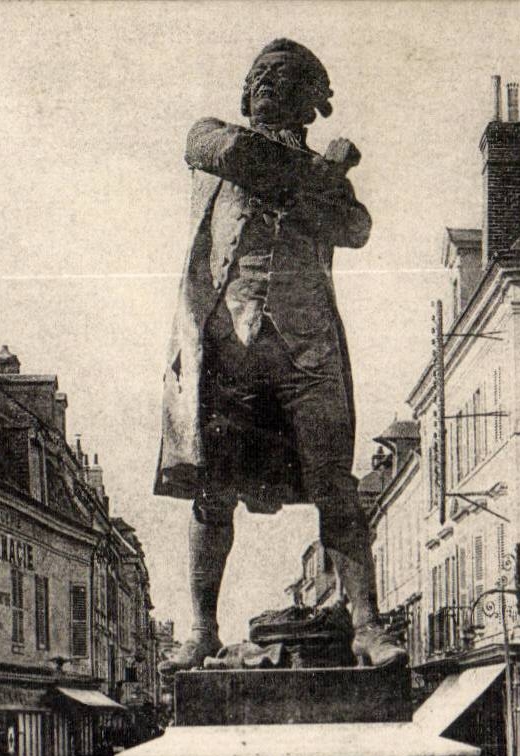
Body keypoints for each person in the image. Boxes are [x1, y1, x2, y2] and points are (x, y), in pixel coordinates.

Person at [155, 38, 405, 673]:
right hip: (227, 346)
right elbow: (234, 152)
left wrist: (322, 185)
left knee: (336, 488)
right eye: (260, 74)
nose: (268, 83)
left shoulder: (325, 188)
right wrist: (321, 172)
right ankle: (203, 629)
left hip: (305, 344)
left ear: (309, 101)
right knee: (211, 495)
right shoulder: (212, 138)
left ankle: (366, 626)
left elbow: (356, 228)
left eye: (287, 77)